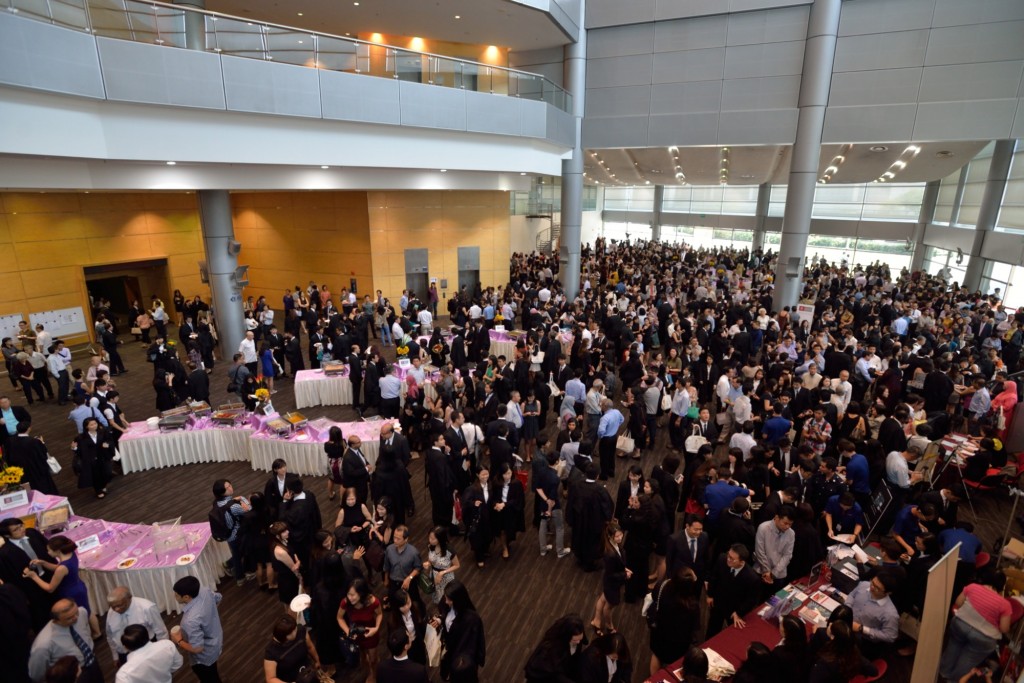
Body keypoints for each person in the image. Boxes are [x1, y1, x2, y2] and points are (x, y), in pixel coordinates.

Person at [938, 571, 1012, 682]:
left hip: (960, 625)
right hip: (984, 638)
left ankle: (943, 673)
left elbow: (958, 602)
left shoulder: (972, 587)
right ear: (1001, 586)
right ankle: (954, 681)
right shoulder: (1005, 605)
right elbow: (1004, 628)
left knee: (953, 648)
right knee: (968, 660)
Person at [23, 536, 101, 639]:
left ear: (57, 551)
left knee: (78, 617)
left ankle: (87, 636)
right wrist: (43, 563)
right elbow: (58, 568)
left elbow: (50, 588)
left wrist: (34, 576)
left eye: (49, 550)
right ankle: (97, 633)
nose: (47, 552)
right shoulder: (70, 554)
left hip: (71, 593)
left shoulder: (62, 568)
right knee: (88, 611)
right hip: (79, 586)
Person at [28, 599, 102, 683]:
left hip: (92, 661)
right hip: (74, 677)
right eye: (69, 618)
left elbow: (86, 631)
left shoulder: (82, 612)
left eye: (76, 613)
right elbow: (36, 674)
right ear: (56, 620)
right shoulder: (44, 643)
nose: (76, 618)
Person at [170, 576, 224, 683]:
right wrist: (208, 615)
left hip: (204, 656)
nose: (174, 596)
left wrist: (179, 640)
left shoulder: (190, 620)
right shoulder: (204, 590)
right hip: (216, 640)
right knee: (213, 673)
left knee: (209, 677)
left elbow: (197, 648)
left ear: (186, 597)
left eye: (176, 594)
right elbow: (218, 598)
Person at [433, 580, 485, 683]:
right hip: (449, 648)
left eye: (449, 599)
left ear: (458, 600)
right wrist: (440, 619)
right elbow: (444, 613)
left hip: (461, 656)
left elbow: (474, 643)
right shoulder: (447, 602)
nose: (445, 601)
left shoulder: (472, 619)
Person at [705, 544, 762, 638]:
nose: (728, 559)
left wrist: (738, 613)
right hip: (717, 602)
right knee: (712, 631)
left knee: (732, 635)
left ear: (742, 561)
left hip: (734, 610)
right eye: (728, 555)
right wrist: (709, 595)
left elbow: (751, 600)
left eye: (732, 558)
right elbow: (714, 577)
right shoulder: (722, 559)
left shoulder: (752, 578)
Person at [566, 462, 614, 571]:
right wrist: (607, 519)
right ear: (598, 475)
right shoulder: (600, 490)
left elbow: (570, 502)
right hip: (594, 523)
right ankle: (588, 564)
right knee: (591, 543)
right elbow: (608, 506)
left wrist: (570, 518)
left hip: (579, 521)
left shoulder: (576, 485)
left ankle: (580, 558)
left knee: (579, 538)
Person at [104, 586, 167, 665]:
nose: (116, 610)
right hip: (123, 653)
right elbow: (110, 635)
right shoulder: (111, 611)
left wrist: (163, 653)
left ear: (129, 598)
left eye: (119, 605)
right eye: (113, 607)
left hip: (146, 650)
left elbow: (161, 632)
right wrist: (115, 656)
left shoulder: (147, 608)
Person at [338, 578, 383, 683]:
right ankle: (368, 670)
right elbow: (339, 618)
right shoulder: (345, 602)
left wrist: (376, 628)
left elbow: (380, 614)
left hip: (370, 635)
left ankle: (374, 675)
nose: (350, 598)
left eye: (353, 595)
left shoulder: (372, 601)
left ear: (361, 593)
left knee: (373, 660)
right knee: (363, 658)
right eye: (348, 594)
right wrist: (348, 631)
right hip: (356, 635)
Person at [844, 575, 899, 658]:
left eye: (877, 588)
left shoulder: (890, 613)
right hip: (846, 624)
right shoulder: (864, 585)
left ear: (888, 593)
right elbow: (852, 595)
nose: (872, 587)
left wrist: (862, 629)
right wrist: (847, 608)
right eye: (872, 582)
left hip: (863, 641)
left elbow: (890, 636)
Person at [211, 479, 253, 585]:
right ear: (222, 492)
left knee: (236, 552)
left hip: (227, 534)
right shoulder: (233, 506)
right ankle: (240, 578)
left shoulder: (216, 502)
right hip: (237, 534)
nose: (231, 487)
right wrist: (243, 499)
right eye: (227, 487)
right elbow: (249, 510)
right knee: (239, 555)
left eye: (230, 485)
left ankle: (228, 564)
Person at [808, 620, 877, 683]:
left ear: (832, 637)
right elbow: (873, 671)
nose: (830, 624)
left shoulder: (825, 662)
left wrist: (813, 636)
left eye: (830, 626)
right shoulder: (854, 652)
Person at [524, 614, 587, 683]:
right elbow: (555, 675)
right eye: (575, 640)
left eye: (580, 639)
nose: (578, 642)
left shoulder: (577, 633)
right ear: (566, 636)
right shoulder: (549, 651)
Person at [591, 523, 629, 636]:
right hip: (612, 583)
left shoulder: (613, 546)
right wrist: (625, 575)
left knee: (603, 599)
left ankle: (596, 620)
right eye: (617, 536)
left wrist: (624, 569)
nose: (620, 538)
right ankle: (609, 625)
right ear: (610, 537)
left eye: (621, 535)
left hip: (609, 582)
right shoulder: (610, 554)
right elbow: (611, 574)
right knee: (609, 606)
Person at [263, 614, 321, 683]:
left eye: (295, 628)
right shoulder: (271, 651)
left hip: (308, 674)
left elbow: (310, 647)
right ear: (283, 635)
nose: (295, 632)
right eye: (291, 632)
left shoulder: (301, 631)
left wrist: (317, 660)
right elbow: (270, 679)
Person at [115, 624, 182, 683]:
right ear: (148, 635)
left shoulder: (124, 674)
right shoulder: (167, 645)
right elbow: (178, 663)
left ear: (125, 647)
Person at [6, 421, 58, 495]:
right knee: (43, 490)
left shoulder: (11, 441)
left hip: (22, 473)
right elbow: (43, 455)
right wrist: (42, 443)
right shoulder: (34, 442)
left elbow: (10, 457)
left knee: (30, 491)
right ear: (29, 429)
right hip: (36, 471)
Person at [754, 505, 796, 594]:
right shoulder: (763, 528)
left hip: (779, 574)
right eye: (785, 523)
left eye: (790, 524)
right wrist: (766, 572)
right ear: (777, 518)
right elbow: (759, 552)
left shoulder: (791, 533)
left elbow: (787, 555)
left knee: (775, 601)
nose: (788, 526)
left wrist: (773, 574)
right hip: (761, 571)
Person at [71, 417, 114, 499]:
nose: (94, 426)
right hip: (91, 460)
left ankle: (103, 485)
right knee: (95, 475)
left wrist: (108, 445)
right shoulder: (81, 438)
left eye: (95, 424)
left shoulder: (103, 432)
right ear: (87, 426)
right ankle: (98, 490)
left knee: (107, 473)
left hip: (103, 457)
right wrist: (74, 448)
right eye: (91, 425)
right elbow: (79, 451)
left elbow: (110, 441)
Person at [490, 462, 525, 559]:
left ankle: (507, 542)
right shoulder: (496, 482)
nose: (507, 476)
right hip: (499, 510)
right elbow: (492, 496)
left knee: (509, 530)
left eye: (509, 473)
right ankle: (504, 548)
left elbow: (519, 500)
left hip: (510, 510)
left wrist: (504, 504)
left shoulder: (516, 483)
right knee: (502, 531)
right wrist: (496, 504)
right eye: (505, 474)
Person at [462, 467, 494, 568]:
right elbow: (465, 502)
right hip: (477, 518)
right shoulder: (472, 489)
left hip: (488, 517)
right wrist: (473, 503)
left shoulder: (490, 486)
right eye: (483, 474)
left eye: (487, 474)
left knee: (488, 536)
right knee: (477, 539)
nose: (485, 476)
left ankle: (484, 551)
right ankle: (479, 557)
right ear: (477, 475)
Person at [424, 526, 460, 605]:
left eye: (433, 539)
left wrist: (442, 572)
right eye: (429, 537)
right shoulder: (430, 546)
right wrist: (428, 563)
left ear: (440, 538)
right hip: (434, 574)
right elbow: (430, 560)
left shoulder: (449, 550)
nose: (430, 540)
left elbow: (457, 565)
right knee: (437, 595)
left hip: (446, 577)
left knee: (447, 597)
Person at [269, 521, 301, 608]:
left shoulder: (282, 541)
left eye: (286, 530)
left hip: (289, 577)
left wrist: (297, 560)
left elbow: (293, 553)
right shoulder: (280, 551)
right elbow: (294, 568)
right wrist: (300, 577)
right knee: (292, 605)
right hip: (288, 580)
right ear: (277, 535)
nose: (288, 532)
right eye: (284, 531)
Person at [324, 425, 345, 501]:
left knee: (331, 479)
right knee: (343, 482)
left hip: (331, 463)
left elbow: (326, 451)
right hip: (340, 464)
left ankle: (330, 494)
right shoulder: (343, 442)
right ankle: (341, 500)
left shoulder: (326, 444)